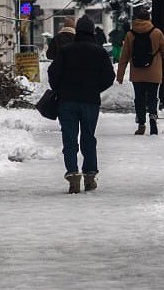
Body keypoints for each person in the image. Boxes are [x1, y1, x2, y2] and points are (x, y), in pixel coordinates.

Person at [48, 16, 115, 194]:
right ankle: (90, 175)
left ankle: (72, 176)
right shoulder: (99, 52)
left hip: (67, 101)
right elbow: (109, 77)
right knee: (88, 138)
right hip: (90, 101)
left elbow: (53, 73)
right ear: (92, 31)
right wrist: (95, 88)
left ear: (77, 31)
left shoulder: (66, 50)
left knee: (69, 139)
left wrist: (60, 88)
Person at [115, 7, 164, 135]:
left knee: (139, 98)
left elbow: (124, 56)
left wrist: (120, 75)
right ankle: (152, 118)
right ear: (148, 18)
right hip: (154, 73)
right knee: (153, 97)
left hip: (137, 73)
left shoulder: (130, 35)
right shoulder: (157, 32)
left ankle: (141, 124)